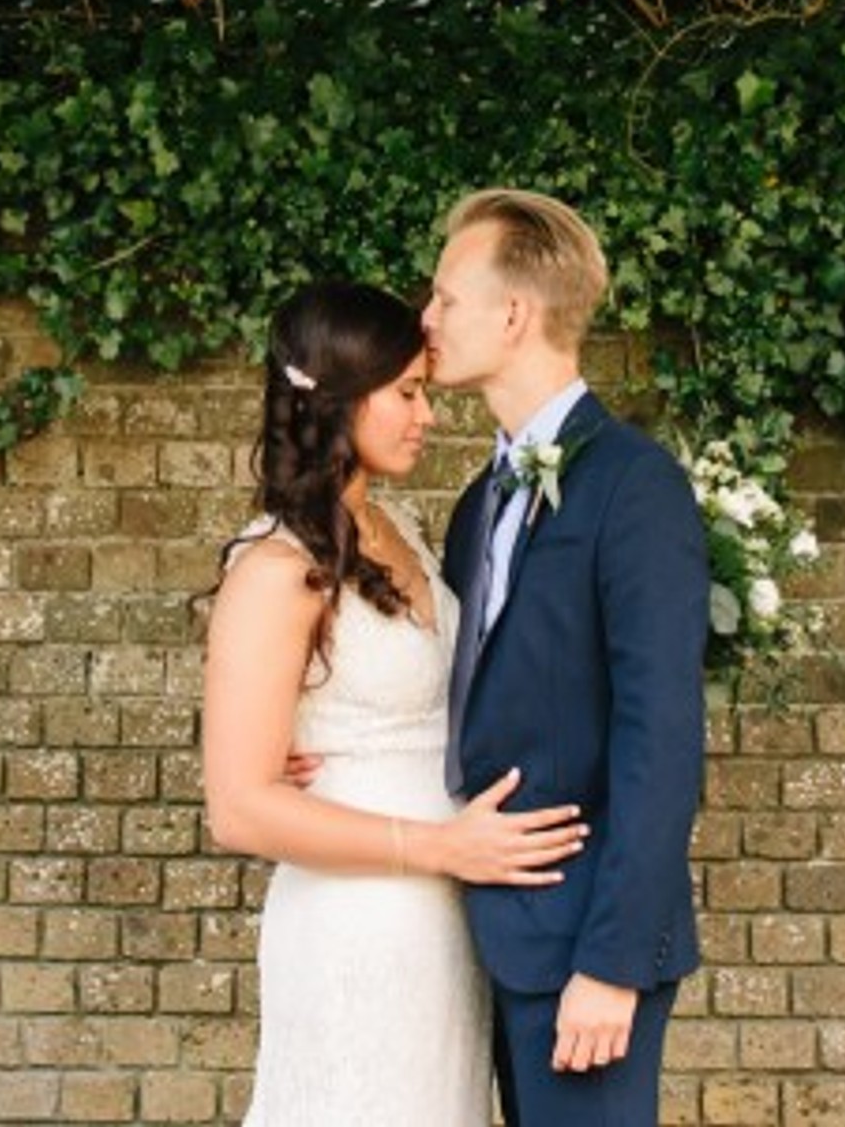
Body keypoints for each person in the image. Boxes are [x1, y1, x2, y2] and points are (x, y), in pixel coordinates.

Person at [203, 278, 589, 1127]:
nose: (429, 415)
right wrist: (442, 843)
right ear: (340, 398)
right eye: (408, 393)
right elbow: (237, 807)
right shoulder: (275, 570)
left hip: (444, 918)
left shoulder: (399, 529)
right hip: (357, 918)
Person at [424, 190, 710, 1127]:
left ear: (513, 313)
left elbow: (661, 736)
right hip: (487, 938)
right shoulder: (477, 503)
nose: (426, 319)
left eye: (444, 298)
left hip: (586, 944)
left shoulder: (635, 485)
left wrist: (613, 962)